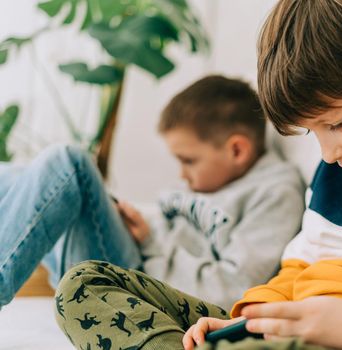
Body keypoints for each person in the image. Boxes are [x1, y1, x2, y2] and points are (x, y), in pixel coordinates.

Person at [54, 1, 342, 349]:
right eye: (313, 132)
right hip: (285, 332)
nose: (329, 151)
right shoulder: (340, 168)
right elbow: (298, 270)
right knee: (84, 284)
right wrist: (248, 318)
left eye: (337, 123)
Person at [0, 75, 305, 311]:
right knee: (13, 175)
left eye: (189, 160)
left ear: (237, 150)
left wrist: (151, 241)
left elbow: (230, 291)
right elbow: (172, 229)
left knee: (69, 163)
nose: (182, 174)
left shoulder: (274, 192)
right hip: (136, 261)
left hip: (146, 288)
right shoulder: (211, 180)